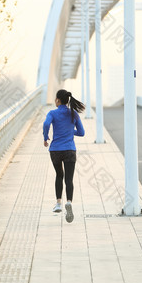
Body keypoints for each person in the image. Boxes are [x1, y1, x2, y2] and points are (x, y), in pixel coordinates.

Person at [43, 89, 85, 223]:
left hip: (55, 150)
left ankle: (58, 203)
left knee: (59, 175)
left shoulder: (52, 113)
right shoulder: (73, 114)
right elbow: (82, 132)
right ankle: (69, 202)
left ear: (58, 100)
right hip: (69, 150)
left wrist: (45, 137)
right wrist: (70, 132)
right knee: (69, 179)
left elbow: (46, 124)